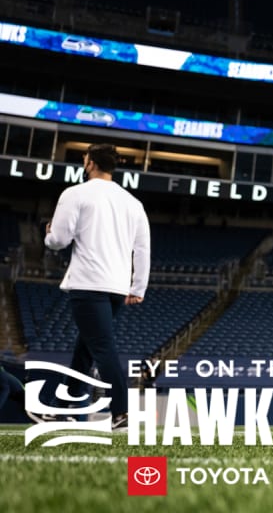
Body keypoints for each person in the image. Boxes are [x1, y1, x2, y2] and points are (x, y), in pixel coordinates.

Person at [44, 143, 150, 431]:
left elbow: (60, 240)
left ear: (90, 163)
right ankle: (61, 410)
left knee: (101, 347)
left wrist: (49, 234)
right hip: (117, 287)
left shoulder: (76, 194)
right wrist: (138, 286)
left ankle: (121, 411)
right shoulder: (132, 202)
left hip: (89, 283)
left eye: (85, 159)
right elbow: (142, 249)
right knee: (85, 350)